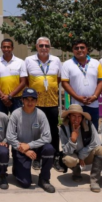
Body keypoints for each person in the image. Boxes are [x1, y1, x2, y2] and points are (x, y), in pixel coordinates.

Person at [24, 37, 64, 172]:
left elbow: (58, 79)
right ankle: (37, 157)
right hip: (35, 103)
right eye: (41, 45)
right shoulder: (29, 60)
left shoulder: (56, 60)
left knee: (53, 130)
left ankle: (54, 157)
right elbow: (26, 80)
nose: (44, 48)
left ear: (50, 47)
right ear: (36, 46)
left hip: (52, 102)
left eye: (47, 46)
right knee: (36, 130)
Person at [7, 89, 55, 192]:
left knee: (49, 149)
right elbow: (10, 136)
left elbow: (47, 137)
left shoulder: (41, 115)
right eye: (27, 99)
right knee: (25, 183)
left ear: (36, 101)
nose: (30, 102)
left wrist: (29, 146)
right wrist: (24, 150)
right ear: (22, 100)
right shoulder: (15, 114)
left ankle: (44, 179)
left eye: (32, 100)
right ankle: (17, 168)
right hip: (20, 148)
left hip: (35, 148)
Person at [60, 104, 102, 193]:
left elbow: (96, 142)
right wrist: (73, 140)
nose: (76, 119)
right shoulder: (64, 128)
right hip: (73, 155)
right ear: (69, 116)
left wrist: (82, 155)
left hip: (86, 155)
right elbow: (65, 150)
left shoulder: (89, 124)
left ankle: (94, 180)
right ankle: (76, 171)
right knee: (68, 159)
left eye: (79, 116)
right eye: (73, 116)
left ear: (82, 117)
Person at [61, 39, 102, 128]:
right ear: (73, 50)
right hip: (76, 104)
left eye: (82, 47)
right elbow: (65, 83)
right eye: (76, 48)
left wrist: (95, 97)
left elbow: (101, 81)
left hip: (93, 104)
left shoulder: (96, 63)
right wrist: (77, 97)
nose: (79, 50)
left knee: (93, 130)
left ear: (87, 49)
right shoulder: (67, 64)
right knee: (76, 129)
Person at [0, 39, 27, 115]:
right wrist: (3, 97)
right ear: (1, 48)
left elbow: (23, 82)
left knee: (17, 123)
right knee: (1, 123)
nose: (6, 49)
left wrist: (10, 96)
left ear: (12, 48)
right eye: (4, 47)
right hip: (1, 99)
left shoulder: (20, 62)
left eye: (8, 47)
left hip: (17, 98)